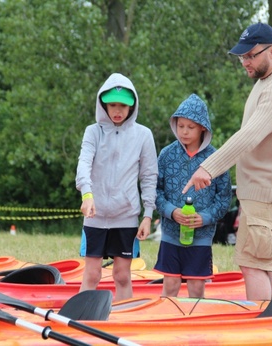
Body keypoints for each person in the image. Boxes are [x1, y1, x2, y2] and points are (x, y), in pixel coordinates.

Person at [182, 22, 272, 300]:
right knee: (266, 264)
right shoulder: (269, 82)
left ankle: (262, 329)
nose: (244, 62)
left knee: (253, 264)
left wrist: (209, 168)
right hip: (265, 192)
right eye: (242, 57)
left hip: (268, 192)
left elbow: (249, 135)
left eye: (251, 55)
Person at [76, 73, 157, 301]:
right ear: (104, 104)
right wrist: (87, 195)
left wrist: (148, 215)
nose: (117, 110)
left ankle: (124, 320)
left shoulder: (143, 135)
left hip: (126, 216)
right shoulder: (93, 132)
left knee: (122, 276)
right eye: (112, 104)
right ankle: (82, 319)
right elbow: (83, 163)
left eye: (123, 105)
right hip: (95, 215)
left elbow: (149, 176)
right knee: (91, 274)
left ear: (132, 106)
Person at [153, 94, 231, 298]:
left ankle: (195, 326)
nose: (184, 132)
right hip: (170, 232)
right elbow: (155, 191)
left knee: (196, 288)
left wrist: (204, 218)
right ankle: (167, 325)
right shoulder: (166, 155)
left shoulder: (216, 158)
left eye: (190, 127)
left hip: (202, 236)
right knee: (170, 284)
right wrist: (172, 212)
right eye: (180, 126)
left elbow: (223, 200)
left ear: (203, 128)